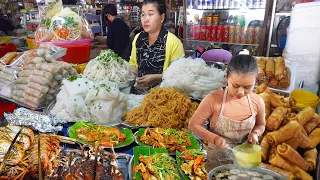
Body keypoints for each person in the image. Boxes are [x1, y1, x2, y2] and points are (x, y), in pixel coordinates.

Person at [188, 54, 266, 171]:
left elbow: (261, 125)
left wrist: (255, 133)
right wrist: (214, 139)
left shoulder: (257, 101)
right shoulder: (213, 99)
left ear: (256, 81)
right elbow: (193, 125)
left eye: (248, 87)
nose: (240, 92)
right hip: (218, 160)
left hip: (245, 161)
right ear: (226, 77)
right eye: (235, 85)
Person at [129, 0, 184, 88]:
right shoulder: (138, 38)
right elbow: (133, 63)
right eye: (143, 14)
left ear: (162, 17)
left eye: (150, 14)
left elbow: (179, 75)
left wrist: (156, 78)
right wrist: (132, 77)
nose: (145, 19)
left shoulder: (174, 42)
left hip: (162, 95)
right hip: (138, 92)